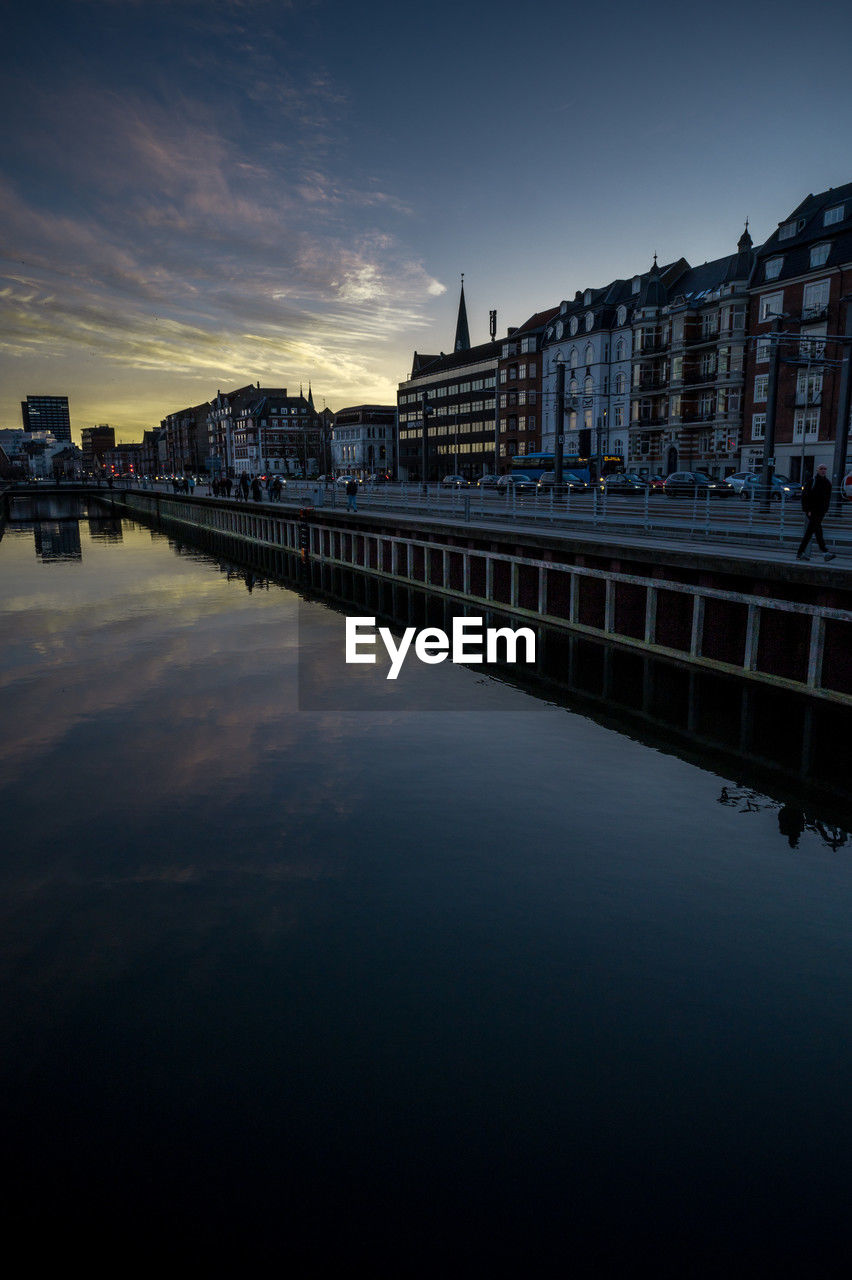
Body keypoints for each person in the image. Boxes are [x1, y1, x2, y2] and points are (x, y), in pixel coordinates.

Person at [796, 463, 836, 562]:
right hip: (812, 511)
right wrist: (807, 510)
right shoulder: (812, 481)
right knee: (818, 531)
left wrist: (825, 511)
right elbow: (805, 496)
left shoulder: (827, 483)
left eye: (825, 469)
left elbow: (827, 499)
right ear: (817, 470)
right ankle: (825, 552)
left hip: (820, 512)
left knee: (810, 532)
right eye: (821, 469)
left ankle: (800, 553)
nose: (823, 470)